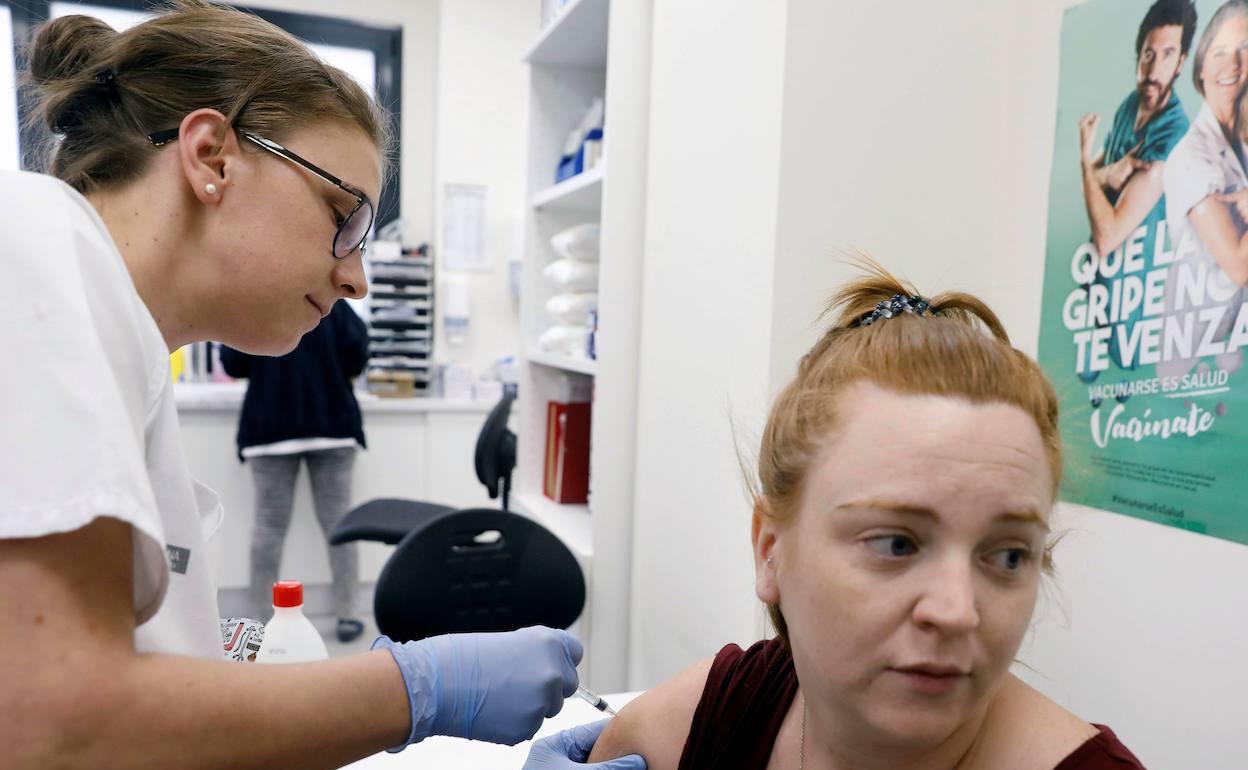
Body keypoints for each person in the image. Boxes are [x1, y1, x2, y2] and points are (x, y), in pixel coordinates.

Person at [0, 3, 641, 768]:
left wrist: (279, 698)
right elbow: (53, 727)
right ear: (211, 157)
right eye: (342, 216)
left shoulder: (117, 338)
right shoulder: (39, 243)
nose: (357, 277)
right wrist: (414, 691)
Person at [586, 264, 1148, 770]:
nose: (956, 612)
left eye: (1008, 555)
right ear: (771, 550)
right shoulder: (718, 714)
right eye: (896, 544)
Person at [220, 301, 370, 643]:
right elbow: (357, 355)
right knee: (339, 524)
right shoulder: (334, 304)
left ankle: (258, 620)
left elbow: (233, 363)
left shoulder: (258, 303)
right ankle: (348, 614)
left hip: (270, 427)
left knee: (269, 528)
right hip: (332, 425)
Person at [1076, 0, 1196, 375]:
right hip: (1097, 277)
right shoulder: (1129, 105)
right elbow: (1104, 178)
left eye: (1167, 55)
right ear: (1138, 55)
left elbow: (1109, 232)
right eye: (1148, 54)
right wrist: (1106, 174)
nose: (1153, 70)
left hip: (1136, 288)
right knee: (1088, 372)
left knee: (1127, 365)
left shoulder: (1174, 132)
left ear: (1181, 62)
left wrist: (1085, 162)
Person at [1158, 0, 1248, 382]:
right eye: (1219, 52)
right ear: (1200, 69)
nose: (1232, 65)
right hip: (1195, 375)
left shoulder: (1240, 145)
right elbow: (1238, 265)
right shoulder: (1191, 158)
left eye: (1245, 49)